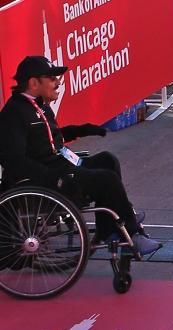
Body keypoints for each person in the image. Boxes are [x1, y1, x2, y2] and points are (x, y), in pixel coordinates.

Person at [0, 55, 161, 254]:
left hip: (60, 165)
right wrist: (55, 178)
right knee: (106, 179)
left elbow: (51, 139)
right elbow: (14, 160)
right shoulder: (14, 113)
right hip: (45, 179)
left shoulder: (39, 105)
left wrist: (81, 130)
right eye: (52, 78)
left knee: (107, 160)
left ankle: (109, 226)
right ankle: (128, 231)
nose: (58, 82)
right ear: (34, 83)